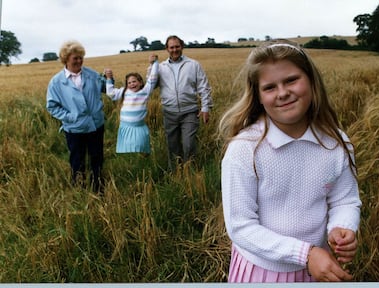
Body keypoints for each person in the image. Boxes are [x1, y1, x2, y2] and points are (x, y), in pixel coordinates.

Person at [218, 40, 362, 282]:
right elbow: (240, 227)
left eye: (292, 80)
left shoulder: (337, 142)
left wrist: (342, 227)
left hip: (318, 267)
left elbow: (345, 199)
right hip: (261, 272)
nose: (283, 92)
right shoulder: (244, 150)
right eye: (270, 87)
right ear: (258, 97)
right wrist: (304, 254)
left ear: (312, 82)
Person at [46, 40, 105, 193]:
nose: (79, 61)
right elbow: (52, 106)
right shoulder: (56, 82)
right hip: (74, 128)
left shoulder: (92, 74)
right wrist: (70, 117)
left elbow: (106, 88)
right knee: (77, 160)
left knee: (97, 157)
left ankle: (98, 187)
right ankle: (79, 189)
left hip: (95, 124)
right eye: (75, 58)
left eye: (81, 57)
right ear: (66, 60)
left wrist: (109, 78)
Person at [149, 35, 213, 169]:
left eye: (177, 46)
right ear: (167, 49)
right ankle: (175, 174)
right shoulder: (161, 67)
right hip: (169, 112)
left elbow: (203, 87)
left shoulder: (193, 65)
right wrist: (152, 66)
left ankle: (190, 173)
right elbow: (151, 84)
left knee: (188, 144)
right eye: (171, 47)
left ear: (182, 46)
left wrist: (206, 108)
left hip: (190, 111)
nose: (174, 50)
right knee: (172, 146)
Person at [105, 54, 159, 154]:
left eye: (134, 81)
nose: (132, 84)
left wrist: (154, 63)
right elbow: (111, 94)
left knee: (141, 149)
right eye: (129, 83)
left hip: (139, 127)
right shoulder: (124, 91)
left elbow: (153, 79)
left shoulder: (145, 92)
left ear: (140, 82)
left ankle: (144, 160)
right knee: (126, 152)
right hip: (125, 127)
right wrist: (109, 79)